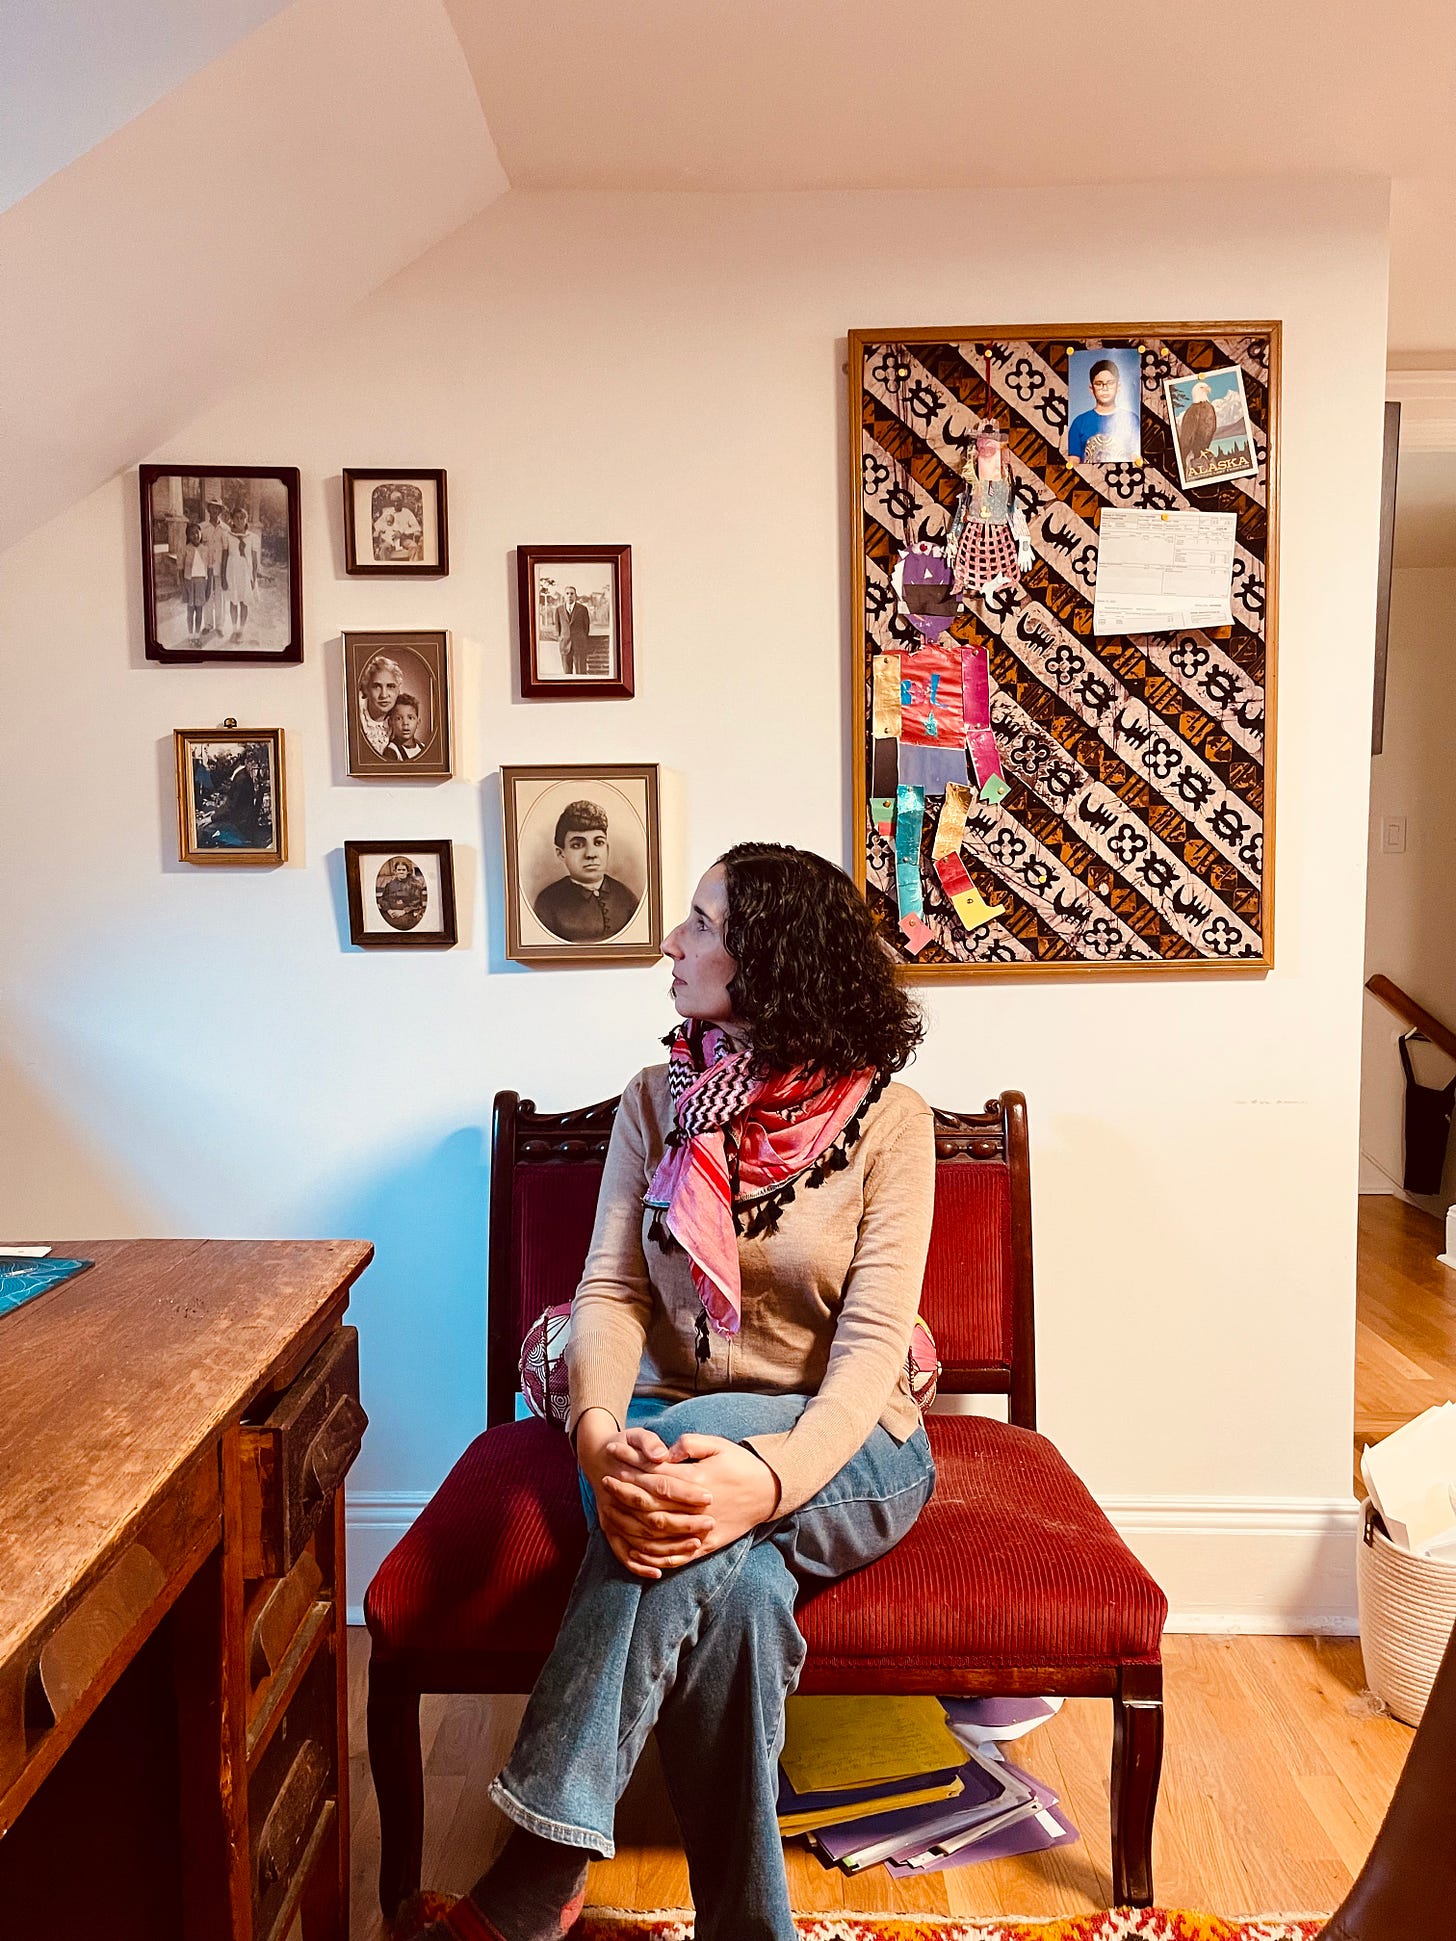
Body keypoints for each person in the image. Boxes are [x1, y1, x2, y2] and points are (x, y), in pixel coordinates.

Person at [406, 842, 937, 1941]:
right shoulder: (661, 1099)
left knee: (690, 1440)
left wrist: (766, 1479)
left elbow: (870, 1353)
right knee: (738, 1597)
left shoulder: (892, 1123)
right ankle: (749, 1929)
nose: (671, 941)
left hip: (853, 1451)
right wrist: (597, 1433)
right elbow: (608, 1291)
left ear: (773, 958)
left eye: (700, 922)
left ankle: (536, 1874)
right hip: (664, 1444)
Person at [531, 801, 639, 942]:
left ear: (607, 849)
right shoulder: (547, 903)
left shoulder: (626, 897)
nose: (590, 854)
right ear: (561, 853)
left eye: (598, 843)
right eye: (577, 845)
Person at [1068, 356, 1140, 463]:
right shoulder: (1079, 423)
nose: (1105, 388)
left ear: (1118, 387)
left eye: (1110, 383)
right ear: (1091, 389)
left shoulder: (1131, 420)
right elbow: (1073, 463)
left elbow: (1136, 459)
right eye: (1099, 383)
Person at [221, 508, 260, 643]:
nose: (239, 520)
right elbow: (224, 558)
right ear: (232, 519)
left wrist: (254, 578)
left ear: (246, 519)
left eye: (242, 517)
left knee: (244, 602)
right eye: (236, 517)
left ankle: (241, 631)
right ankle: (234, 630)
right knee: (234, 601)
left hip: (246, 574)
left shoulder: (253, 537)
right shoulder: (227, 536)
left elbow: (254, 561)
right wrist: (223, 577)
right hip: (232, 573)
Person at [358, 654, 404, 757]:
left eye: (390, 686)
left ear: (398, 689)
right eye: (377, 686)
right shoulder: (356, 718)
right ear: (366, 689)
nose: (384, 695)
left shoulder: (402, 717)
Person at [201, 501, 229, 637]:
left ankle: (219, 625)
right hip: (206, 568)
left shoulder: (225, 529)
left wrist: (225, 573)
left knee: (220, 597)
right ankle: (208, 624)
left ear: (220, 510)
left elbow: (226, 551)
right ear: (208, 509)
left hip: (220, 568)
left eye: (217, 508)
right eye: (212, 507)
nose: (214, 510)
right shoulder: (202, 528)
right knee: (207, 596)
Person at [378, 857, 427, 928]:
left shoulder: (415, 884)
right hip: (391, 913)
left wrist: (403, 912)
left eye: (403, 870)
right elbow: (383, 899)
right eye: (399, 870)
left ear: (407, 871)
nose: (401, 872)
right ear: (395, 871)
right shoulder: (390, 884)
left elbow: (417, 902)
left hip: (406, 914)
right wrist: (389, 910)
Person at [181, 522, 208, 637]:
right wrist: (183, 587)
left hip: (202, 582)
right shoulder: (185, 549)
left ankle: (197, 635)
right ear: (188, 536)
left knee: (199, 610)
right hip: (189, 582)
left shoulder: (206, 549)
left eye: (197, 532)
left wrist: (209, 586)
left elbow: (210, 569)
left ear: (201, 533)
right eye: (191, 534)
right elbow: (180, 569)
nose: (195, 535)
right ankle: (190, 636)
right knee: (190, 610)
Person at [557, 584, 592, 676]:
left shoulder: (583, 609)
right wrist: (561, 639)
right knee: (567, 674)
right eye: (567, 593)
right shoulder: (558, 610)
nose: (569, 596)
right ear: (564, 596)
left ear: (575, 595)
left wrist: (582, 638)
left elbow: (586, 627)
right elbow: (558, 628)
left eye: (572, 593)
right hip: (565, 645)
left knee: (581, 673)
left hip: (580, 644)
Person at [384, 694, 427, 761]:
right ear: (390, 722)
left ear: (418, 722)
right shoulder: (392, 751)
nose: (405, 723)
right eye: (399, 718)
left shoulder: (422, 747)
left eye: (410, 718)